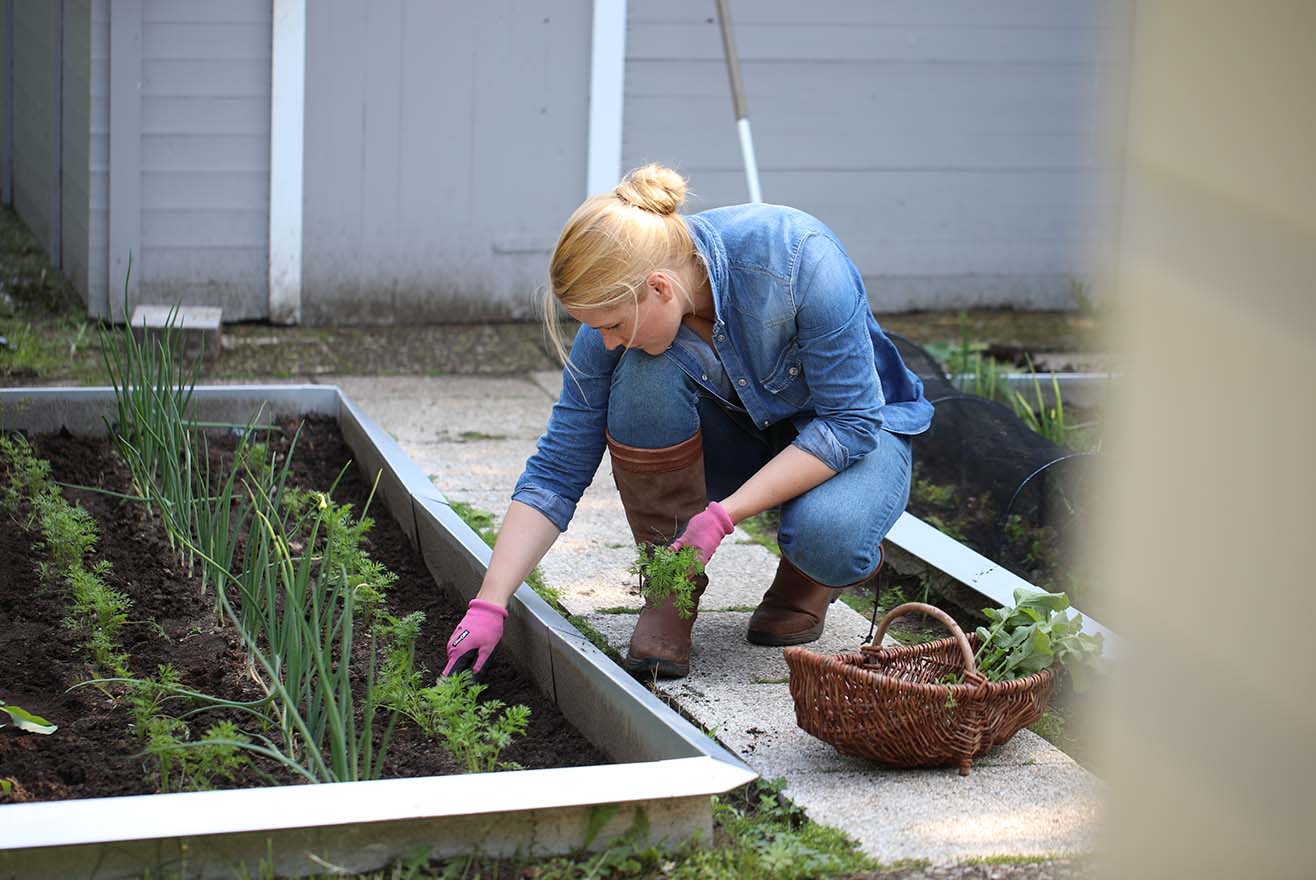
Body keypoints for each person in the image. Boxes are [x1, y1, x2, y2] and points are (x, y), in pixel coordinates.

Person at [442, 164, 933, 680]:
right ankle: (672, 585)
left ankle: (807, 573)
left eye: (611, 325)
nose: (606, 340)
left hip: (857, 432)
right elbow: (557, 469)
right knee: (641, 374)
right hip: (747, 436)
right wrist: (489, 603)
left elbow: (849, 422)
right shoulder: (619, 310)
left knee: (829, 539)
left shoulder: (798, 259)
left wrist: (723, 517)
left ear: (659, 288)